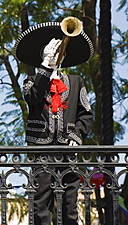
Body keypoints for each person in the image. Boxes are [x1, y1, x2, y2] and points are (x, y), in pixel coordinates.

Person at [13, 21, 94, 225]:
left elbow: (86, 114)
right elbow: (32, 98)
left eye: (59, 53)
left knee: (70, 202)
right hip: (42, 150)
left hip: (68, 150)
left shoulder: (76, 81)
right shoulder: (31, 80)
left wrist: (77, 136)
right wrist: (45, 67)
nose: (56, 56)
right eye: (51, 53)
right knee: (40, 204)